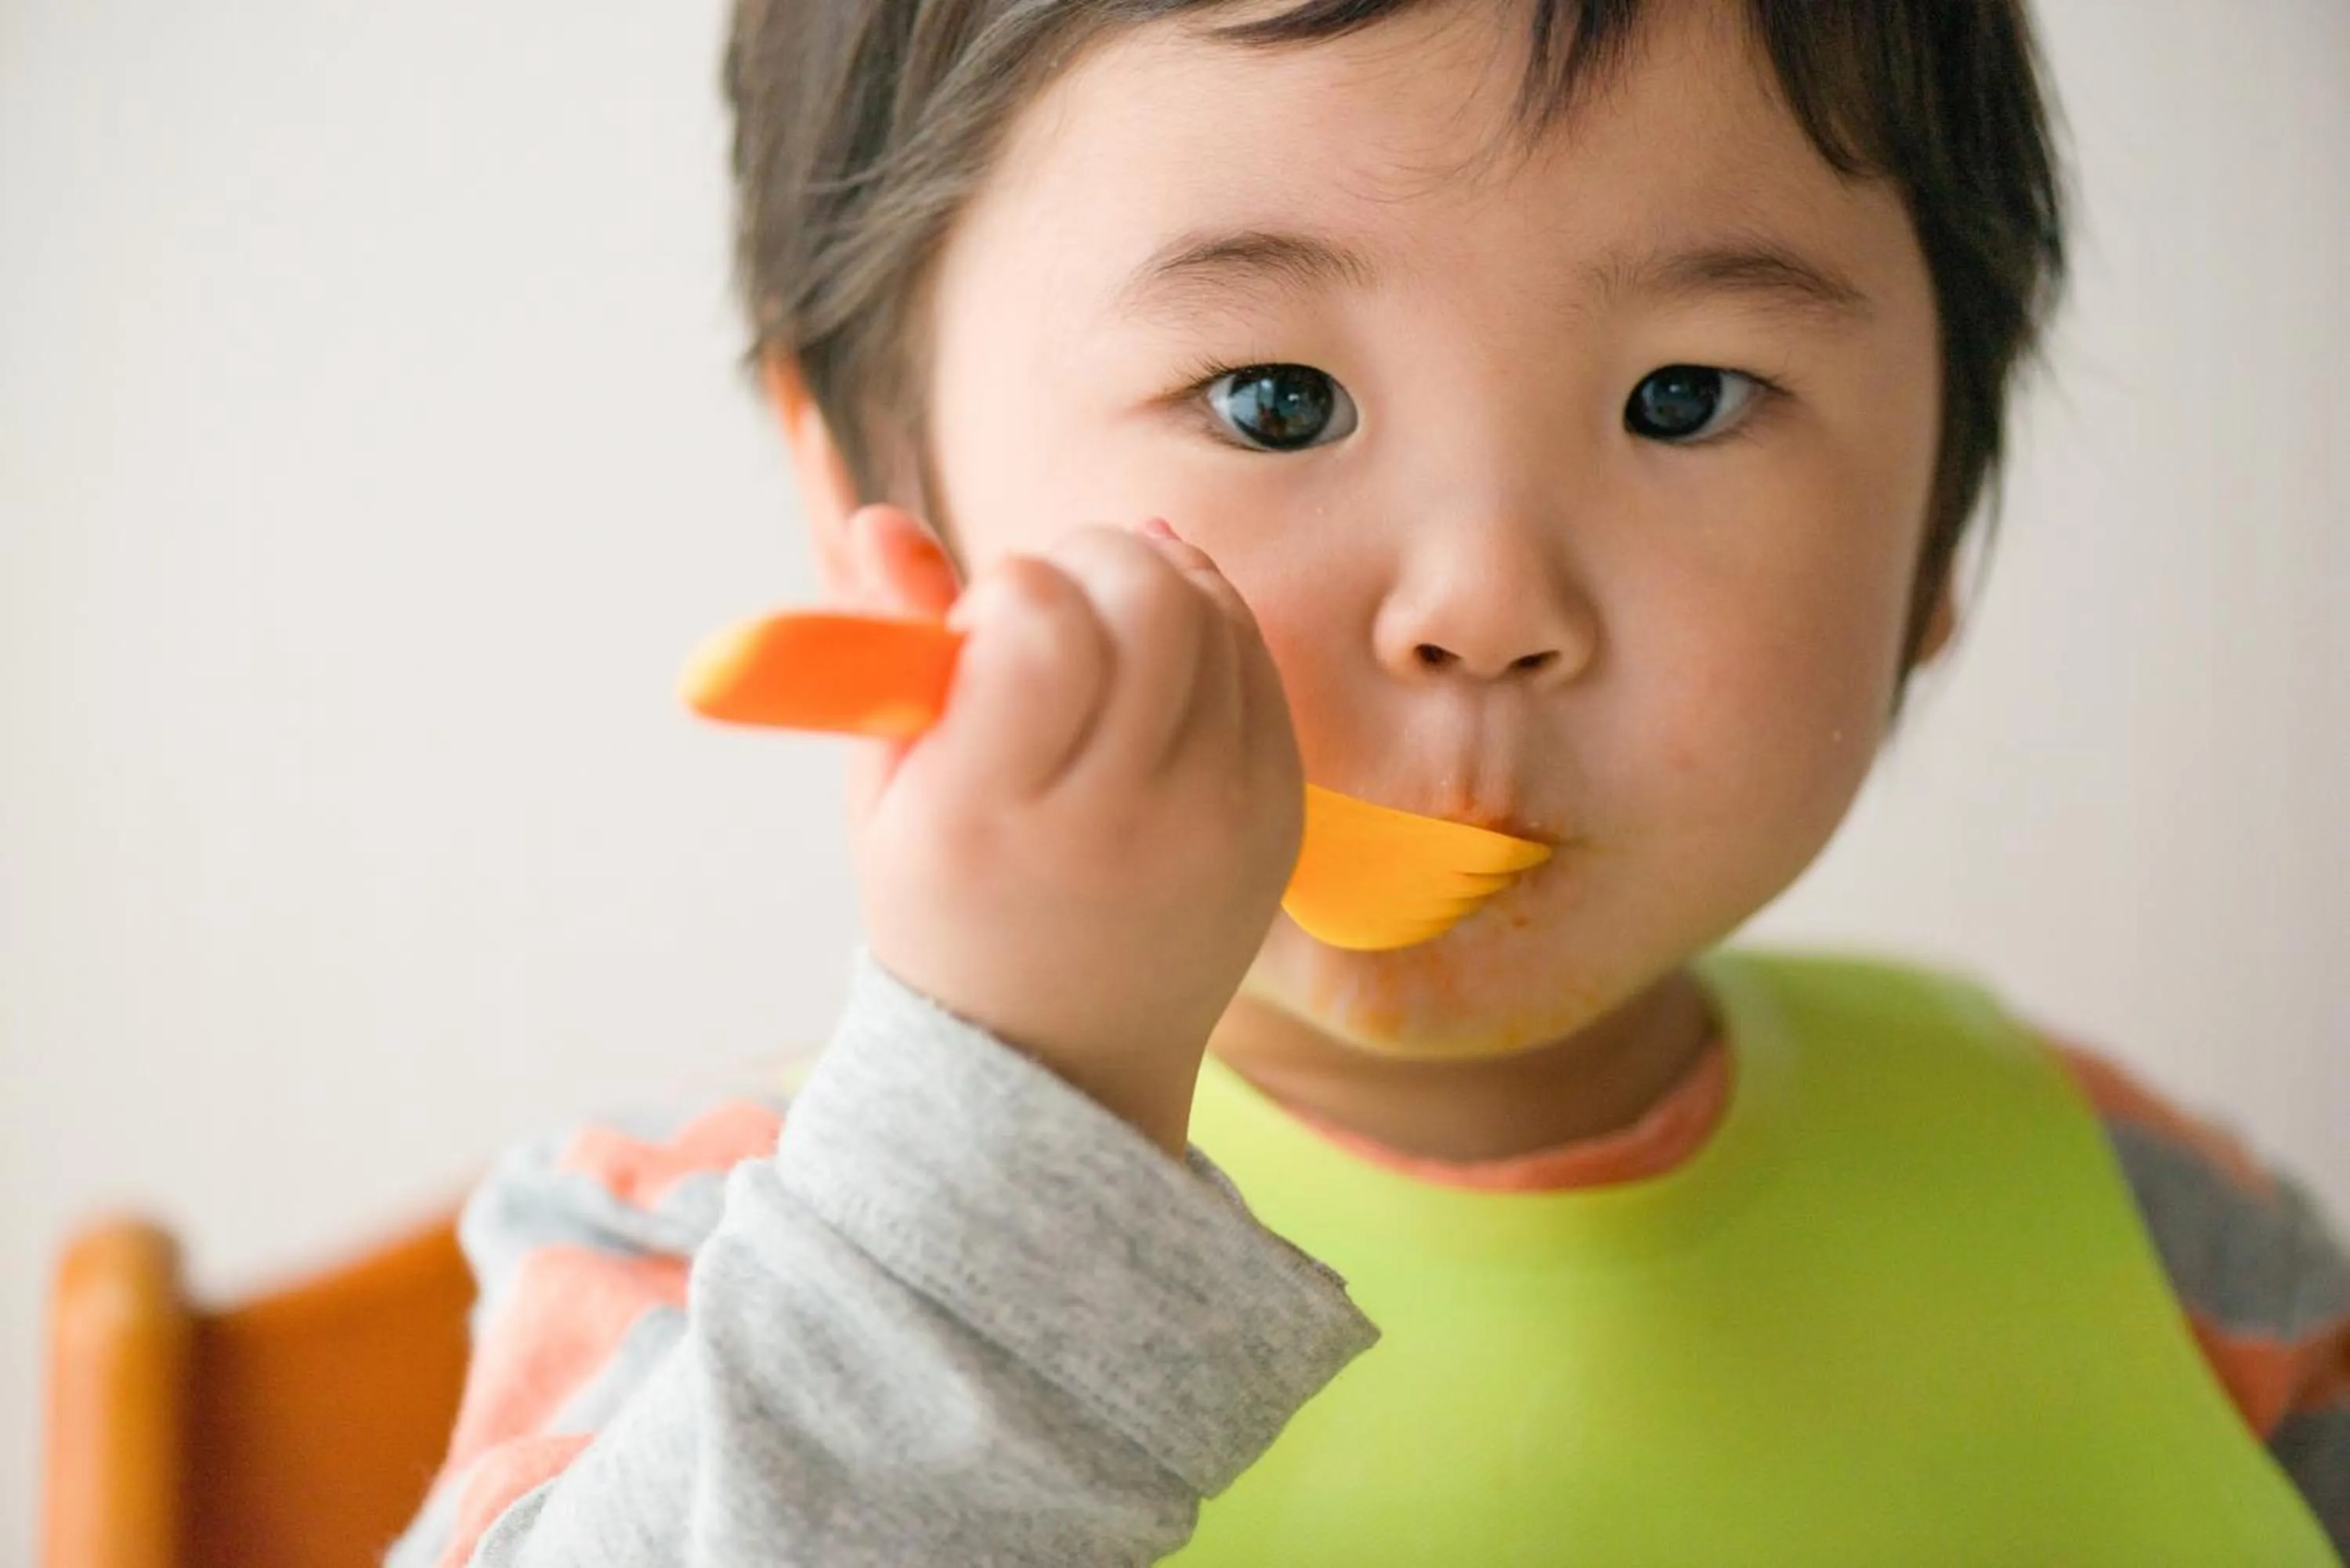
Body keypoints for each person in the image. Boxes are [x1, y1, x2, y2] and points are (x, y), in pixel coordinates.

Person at [385, 0, 2350, 1561]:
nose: (1487, 598)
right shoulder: (702, 1279)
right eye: (1274, 400)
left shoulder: (2177, 1245)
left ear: (1939, 532)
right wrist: (1011, 1145)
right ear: (870, 495)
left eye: (1688, 397)